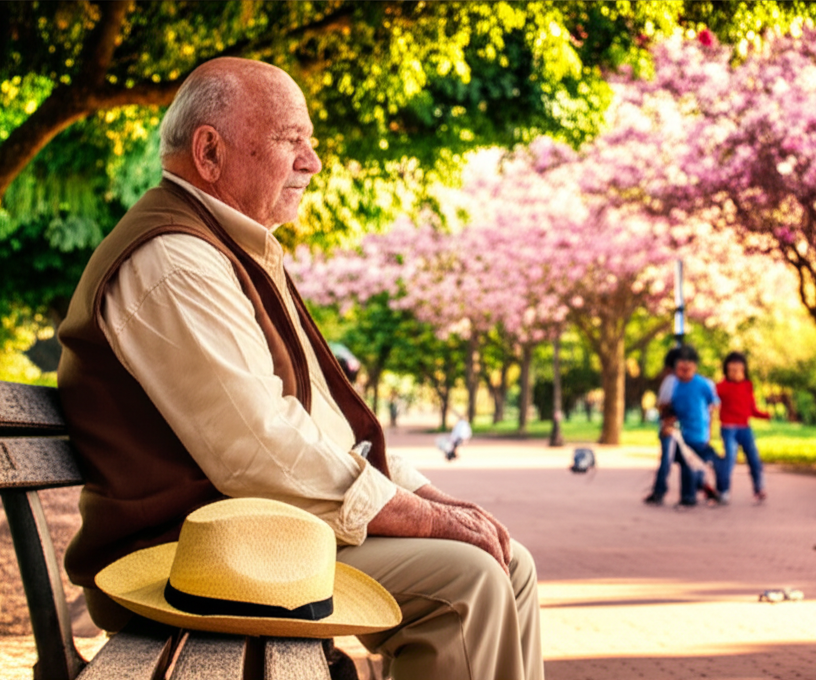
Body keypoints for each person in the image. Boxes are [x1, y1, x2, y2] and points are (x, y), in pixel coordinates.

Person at [56, 57, 543, 680]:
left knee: (509, 561)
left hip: (259, 532)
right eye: (293, 140)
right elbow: (259, 450)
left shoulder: (227, 248)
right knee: (466, 581)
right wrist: (425, 518)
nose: (312, 162)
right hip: (184, 560)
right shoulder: (175, 261)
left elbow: (320, 425)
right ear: (210, 152)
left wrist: (430, 498)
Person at [669, 345, 722, 507]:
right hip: (683, 434)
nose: (684, 372)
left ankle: (692, 493)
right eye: (680, 368)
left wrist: (711, 428)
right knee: (686, 463)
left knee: (692, 464)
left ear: (694, 367)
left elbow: (715, 403)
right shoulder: (675, 386)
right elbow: (673, 408)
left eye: (688, 368)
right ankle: (695, 489)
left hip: (699, 432)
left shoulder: (702, 384)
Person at [715, 352, 770, 503]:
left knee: (754, 459)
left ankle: (759, 489)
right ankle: (723, 491)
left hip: (745, 428)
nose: (736, 373)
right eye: (732, 370)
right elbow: (711, 402)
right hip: (728, 428)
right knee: (729, 459)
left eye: (739, 370)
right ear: (726, 370)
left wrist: (765, 415)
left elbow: (751, 409)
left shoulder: (747, 386)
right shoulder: (721, 387)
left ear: (744, 370)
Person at [645, 346, 682, 505]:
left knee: (669, 460)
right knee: (676, 460)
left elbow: (662, 403)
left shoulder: (672, 380)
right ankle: (660, 489)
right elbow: (663, 404)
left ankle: (660, 490)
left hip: (675, 426)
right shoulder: (675, 380)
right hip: (675, 426)